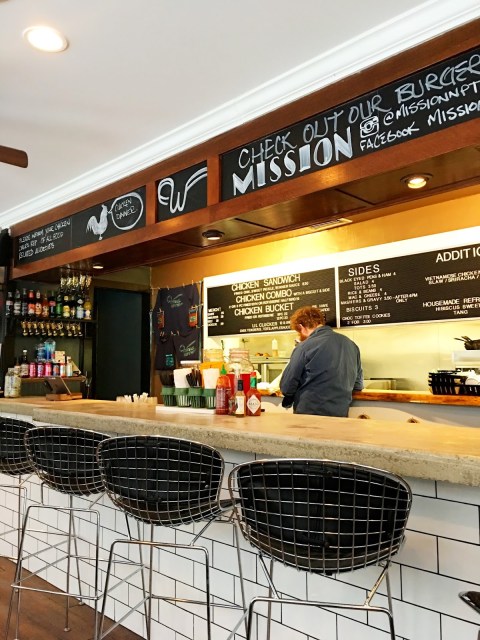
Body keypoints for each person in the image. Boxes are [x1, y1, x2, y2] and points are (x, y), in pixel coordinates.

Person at [280, 306, 363, 417]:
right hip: (340, 415)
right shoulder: (352, 345)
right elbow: (358, 385)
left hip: (308, 415)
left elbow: (287, 387)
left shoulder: (304, 347)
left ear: (301, 327)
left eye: (298, 332)